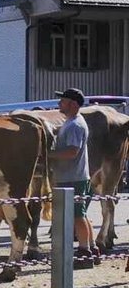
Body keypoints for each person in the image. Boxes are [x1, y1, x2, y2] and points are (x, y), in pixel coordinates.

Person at [49, 88, 97, 267]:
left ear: (74, 104)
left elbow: (71, 152)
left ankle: (84, 253)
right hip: (75, 176)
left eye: (63, 100)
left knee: (78, 216)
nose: (59, 103)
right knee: (81, 214)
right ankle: (92, 248)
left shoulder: (75, 125)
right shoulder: (72, 122)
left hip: (72, 177)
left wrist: (48, 154)